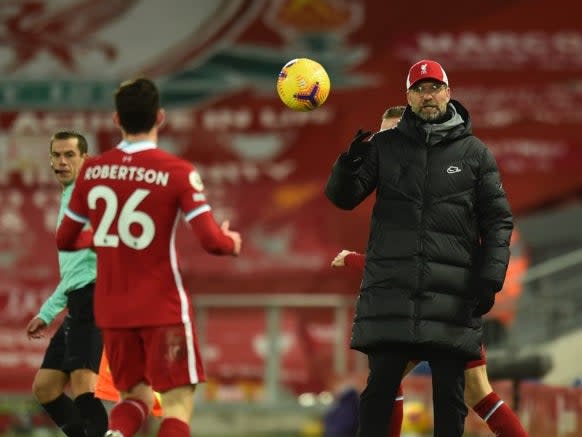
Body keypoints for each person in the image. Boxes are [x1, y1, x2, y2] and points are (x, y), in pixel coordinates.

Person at [324, 59, 514, 437]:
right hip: (393, 294)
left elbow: (498, 222)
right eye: (419, 89)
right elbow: (344, 198)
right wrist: (349, 164)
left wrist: (490, 279)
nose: (427, 95)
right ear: (407, 97)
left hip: (451, 297)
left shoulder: (476, 154)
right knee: (378, 395)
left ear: (448, 92)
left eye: (434, 87)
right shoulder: (384, 146)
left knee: (450, 403)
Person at [56, 77, 242, 437]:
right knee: (177, 403)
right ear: (160, 117)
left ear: (116, 119)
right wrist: (232, 242)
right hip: (162, 308)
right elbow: (211, 241)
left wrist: (103, 238)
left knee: (133, 397)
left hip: (112, 309)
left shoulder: (92, 171)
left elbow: (65, 238)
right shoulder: (176, 171)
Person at [332, 250, 529, 437]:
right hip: (455, 315)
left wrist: (352, 258)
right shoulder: (463, 225)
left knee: (387, 380)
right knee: (480, 395)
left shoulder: (416, 221)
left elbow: (398, 265)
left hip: (420, 317)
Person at [25, 131, 108, 437]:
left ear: (84, 159)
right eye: (56, 155)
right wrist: (47, 313)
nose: (61, 162)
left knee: (84, 387)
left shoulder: (90, 195)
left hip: (95, 297)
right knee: (45, 387)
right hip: (78, 298)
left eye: (69, 155)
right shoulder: (69, 196)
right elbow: (74, 271)